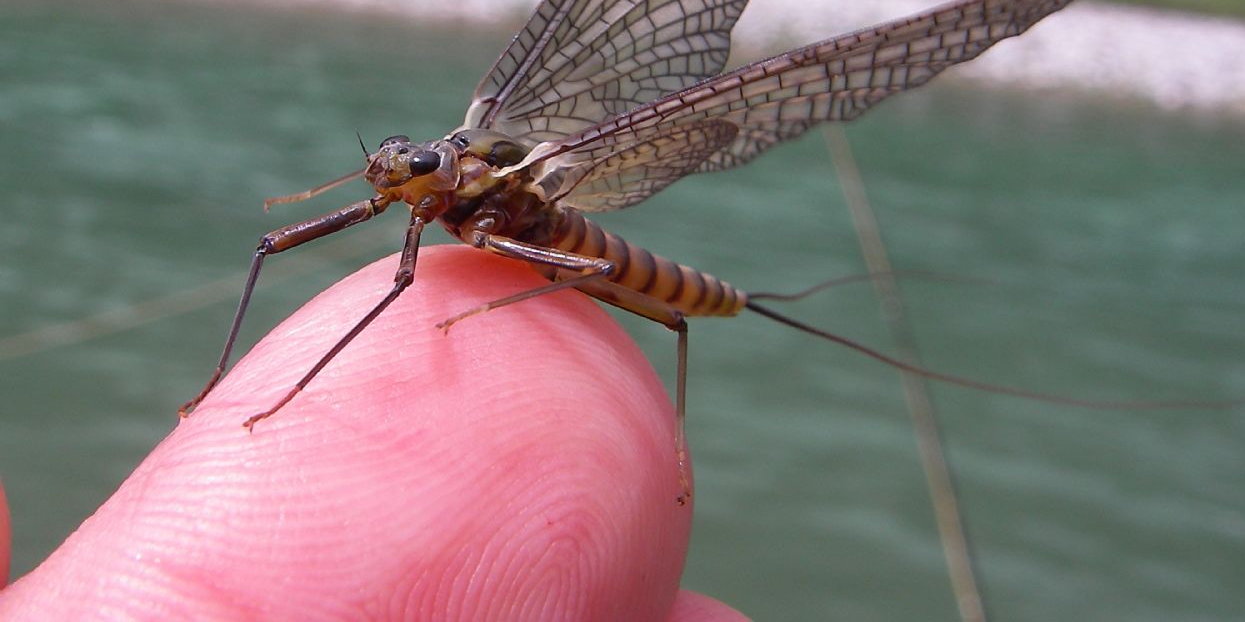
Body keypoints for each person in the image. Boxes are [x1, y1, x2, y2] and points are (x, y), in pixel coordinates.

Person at [0, 246, 747, 621]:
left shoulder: (481, 203)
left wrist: (483, 312)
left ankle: (294, 387)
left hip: (599, 258)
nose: (391, 177)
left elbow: (402, 287)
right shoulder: (433, 200)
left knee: (675, 319)